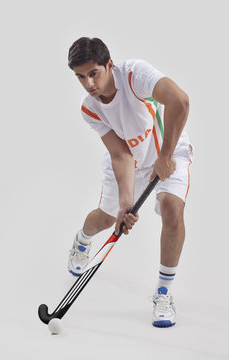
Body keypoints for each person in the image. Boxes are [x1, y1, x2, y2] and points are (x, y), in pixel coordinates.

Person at [67, 37, 193, 328]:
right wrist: (126, 203)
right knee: (106, 218)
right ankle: (82, 241)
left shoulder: (135, 75)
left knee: (172, 210)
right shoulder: (90, 109)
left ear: (109, 65)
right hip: (130, 162)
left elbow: (180, 100)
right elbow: (120, 154)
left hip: (168, 151)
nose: (88, 84)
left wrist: (166, 155)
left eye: (93, 73)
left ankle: (163, 293)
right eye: (80, 77)